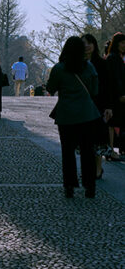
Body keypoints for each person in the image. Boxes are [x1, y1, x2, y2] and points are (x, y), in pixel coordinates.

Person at [46, 35, 101, 198]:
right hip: (87, 115)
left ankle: (69, 186)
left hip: (66, 116)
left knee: (68, 152)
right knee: (88, 152)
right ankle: (90, 186)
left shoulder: (59, 68)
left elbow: (51, 88)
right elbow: (95, 90)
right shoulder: (89, 67)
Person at [82, 32, 111, 178]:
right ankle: (88, 168)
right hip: (82, 106)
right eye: (84, 43)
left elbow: (108, 86)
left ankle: (98, 169)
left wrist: (108, 106)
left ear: (94, 45)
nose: (87, 46)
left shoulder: (101, 63)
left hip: (98, 105)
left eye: (89, 43)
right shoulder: (77, 64)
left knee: (98, 139)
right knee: (84, 140)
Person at [104, 31, 125, 161]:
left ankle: (112, 149)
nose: (124, 45)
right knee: (111, 123)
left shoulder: (116, 57)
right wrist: (121, 94)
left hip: (116, 95)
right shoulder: (114, 58)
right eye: (122, 43)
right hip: (114, 96)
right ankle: (110, 150)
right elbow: (115, 79)